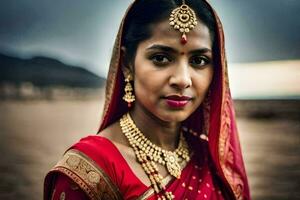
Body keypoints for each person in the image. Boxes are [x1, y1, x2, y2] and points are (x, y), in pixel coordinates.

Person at [44, 0, 250, 199]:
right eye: (161, 58)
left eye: (199, 60)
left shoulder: (210, 157)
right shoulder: (92, 170)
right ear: (127, 64)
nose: (182, 79)